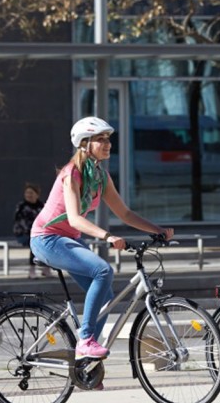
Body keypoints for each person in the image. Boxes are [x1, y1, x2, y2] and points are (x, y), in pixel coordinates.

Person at [30, 116, 174, 364]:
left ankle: (86, 365)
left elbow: (125, 213)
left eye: (108, 139)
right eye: (100, 139)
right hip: (47, 239)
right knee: (102, 271)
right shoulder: (71, 174)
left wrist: (157, 229)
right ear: (84, 144)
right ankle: (85, 340)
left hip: (68, 240)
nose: (107, 144)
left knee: (106, 295)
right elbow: (74, 219)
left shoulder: (100, 176)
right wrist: (108, 236)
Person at [12, 182, 46, 279]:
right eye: (27, 193)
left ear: (37, 194)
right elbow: (20, 223)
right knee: (35, 242)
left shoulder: (42, 206)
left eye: (31, 193)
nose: (28, 195)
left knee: (49, 242)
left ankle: (46, 269)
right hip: (23, 234)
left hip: (39, 233)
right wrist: (34, 232)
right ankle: (32, 270)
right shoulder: (22, 206)